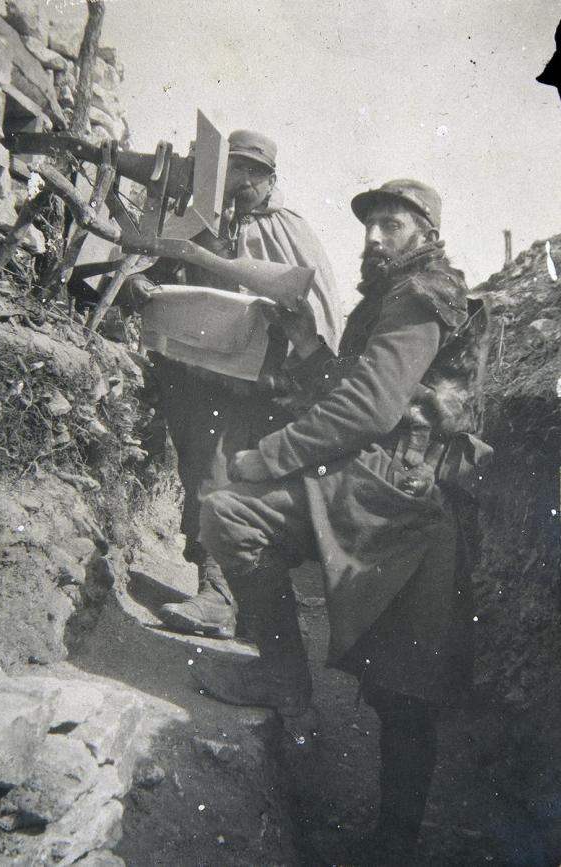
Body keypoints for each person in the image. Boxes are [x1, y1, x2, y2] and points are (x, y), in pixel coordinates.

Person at [194, 180, 492, 866]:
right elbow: (357, 392)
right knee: (230, 514)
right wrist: (306, 349)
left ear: (426, 230)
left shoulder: (423, 296)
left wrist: (265, 454)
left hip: (416, 512)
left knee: (405, 696)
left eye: (391, 225)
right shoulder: (391, 297)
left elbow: (369, 408)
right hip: (373, 492)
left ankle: (393, 846)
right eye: (370, 227)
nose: (374, 238)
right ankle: (282, 675)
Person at [121, 130, 341, 640]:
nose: (239, 182)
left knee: (226, 481)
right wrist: (141, 283)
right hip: (193, 375)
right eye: (231, 171)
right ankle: (225, 594)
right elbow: (151, 266)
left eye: (250, 173)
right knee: (199, 472)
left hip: (257, 382)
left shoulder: (287, 229)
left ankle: (221, 598)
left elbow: (316, 308)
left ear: (270, 180)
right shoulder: (194, 221)